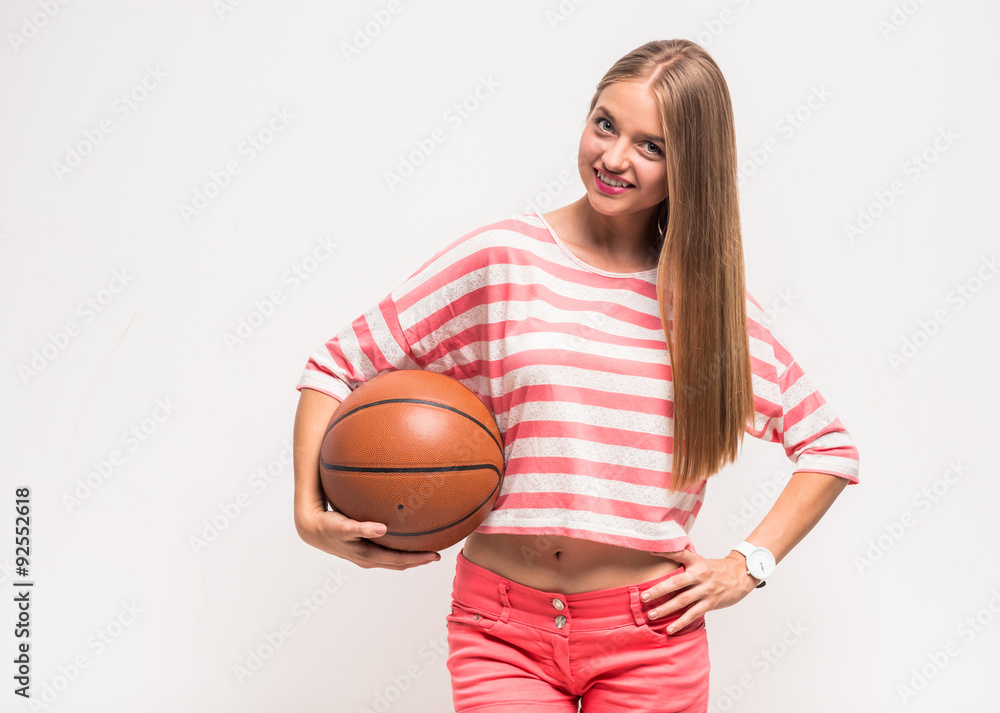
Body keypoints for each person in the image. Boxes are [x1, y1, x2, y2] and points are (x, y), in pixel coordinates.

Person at [292, 38, 860, 713]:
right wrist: (309, 511)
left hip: (651, 637)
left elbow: (828, 447)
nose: (615, 158)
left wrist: (748, 565)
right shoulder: (502, 257)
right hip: (500, 629)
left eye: (653, 147)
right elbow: (337, 364)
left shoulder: (706, 303)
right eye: (605, 124)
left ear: (691, 168)